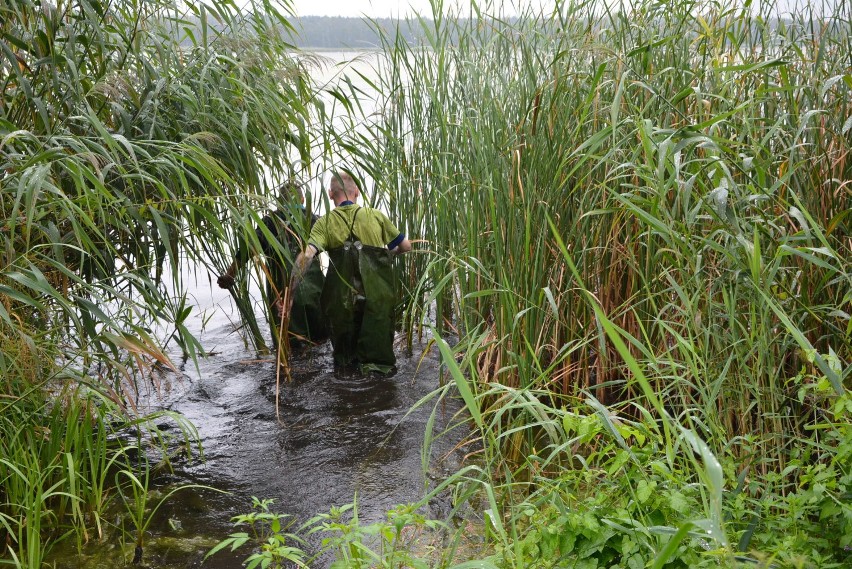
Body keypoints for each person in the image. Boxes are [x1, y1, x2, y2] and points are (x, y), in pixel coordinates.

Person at [286, 171, 411, 374]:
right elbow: (405, 246)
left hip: (340, 302)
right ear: (358, 192)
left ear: (330, 194)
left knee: (345, 364)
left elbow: (306, 257)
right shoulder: (375, 216)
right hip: (376, 298)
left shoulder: (324, 223)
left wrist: (290, 294)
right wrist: (388, 254)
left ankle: (349, 396)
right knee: (379, 364)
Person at [218, 182, 327, 348]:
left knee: (289, 345)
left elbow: (246, 252)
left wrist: (230, 274)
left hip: (281, 295)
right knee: (321, 343)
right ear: (303, 199)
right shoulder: (315, 220)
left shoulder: (269, 222)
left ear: (278, 200)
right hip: (315, 292)